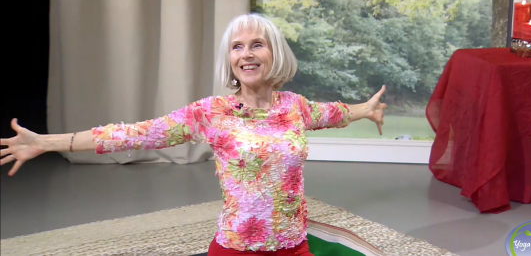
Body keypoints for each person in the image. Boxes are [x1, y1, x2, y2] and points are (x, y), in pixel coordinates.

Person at [0, 13, 387, 255]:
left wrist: (365, 110)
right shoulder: (211, 113)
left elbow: (333, 113)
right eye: (237, 47)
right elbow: (135, 135)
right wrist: (46, 142)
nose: (246, 54)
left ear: (275, 54)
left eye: (257, 45)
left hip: (292, 244)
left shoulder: (294, 107)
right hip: (237, 248)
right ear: (230, 60)